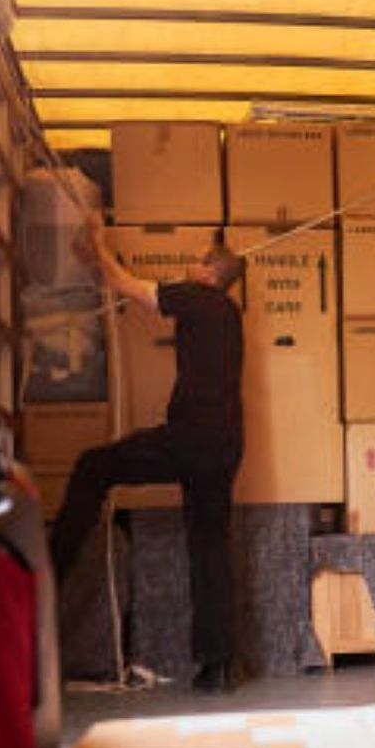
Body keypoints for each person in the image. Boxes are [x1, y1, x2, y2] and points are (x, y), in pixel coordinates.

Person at [50, 214, 246, 692]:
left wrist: (99, 241)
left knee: (92, 466)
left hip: (190, 437)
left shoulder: (195, 296)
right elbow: (116, 280)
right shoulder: (230, 317)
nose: (188, 263)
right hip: (225, 445)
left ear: (209, 272)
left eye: (197, 259)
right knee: (209, 550)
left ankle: (50, 569)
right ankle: (215, 667)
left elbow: (125, 285)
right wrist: (97, 259)